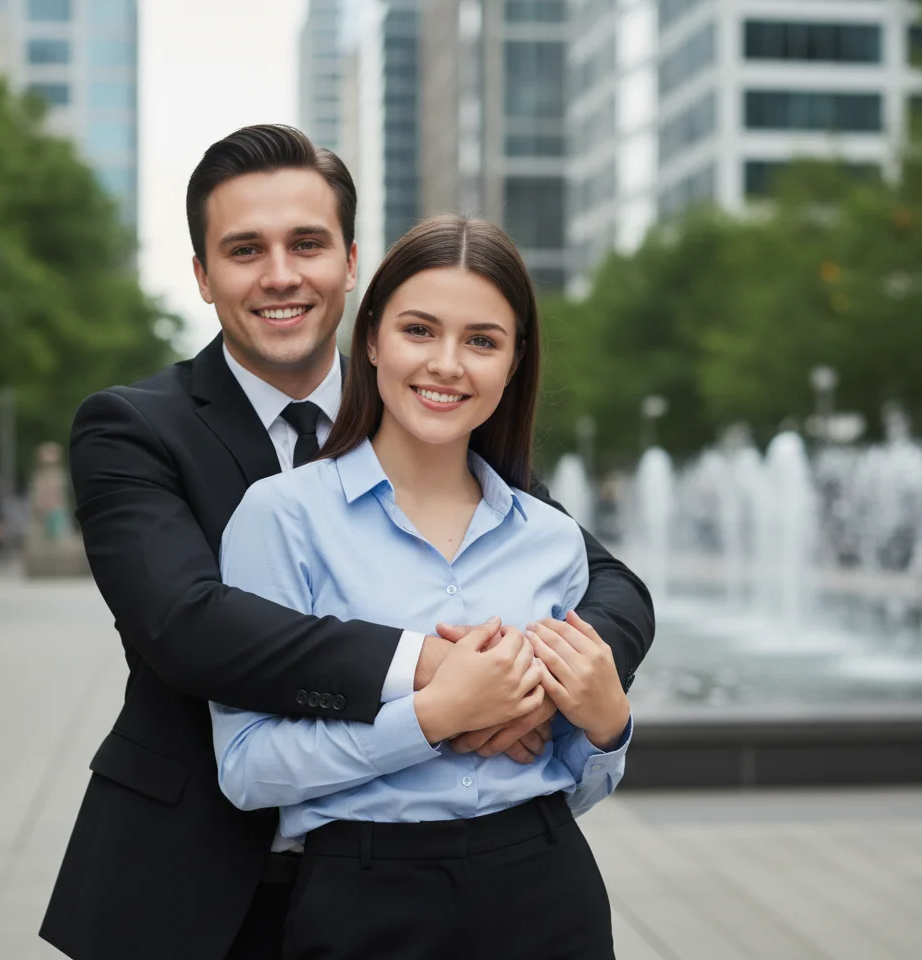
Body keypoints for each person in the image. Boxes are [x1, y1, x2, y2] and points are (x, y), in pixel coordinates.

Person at [39, 125, 654, 960]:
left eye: (308, 244)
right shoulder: (133, 428)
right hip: (199, 881)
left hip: (482, 884)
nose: (282, 274)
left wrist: (548, 685)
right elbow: (186, 624)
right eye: (245, 249)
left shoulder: (436, 419)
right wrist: (440, 680)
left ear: (351, 263)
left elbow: (606, 580)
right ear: (203, 276)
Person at [211, 214, 631, 960]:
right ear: (371, 339)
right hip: (364, 900)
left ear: (513, 362)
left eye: (481, 341)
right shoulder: (282, 518)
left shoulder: (552, 539)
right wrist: (435, 714)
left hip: (545, 888)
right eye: (418, 330)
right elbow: (248, 768)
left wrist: (606, 729)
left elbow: (573, 780)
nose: (447, 364)